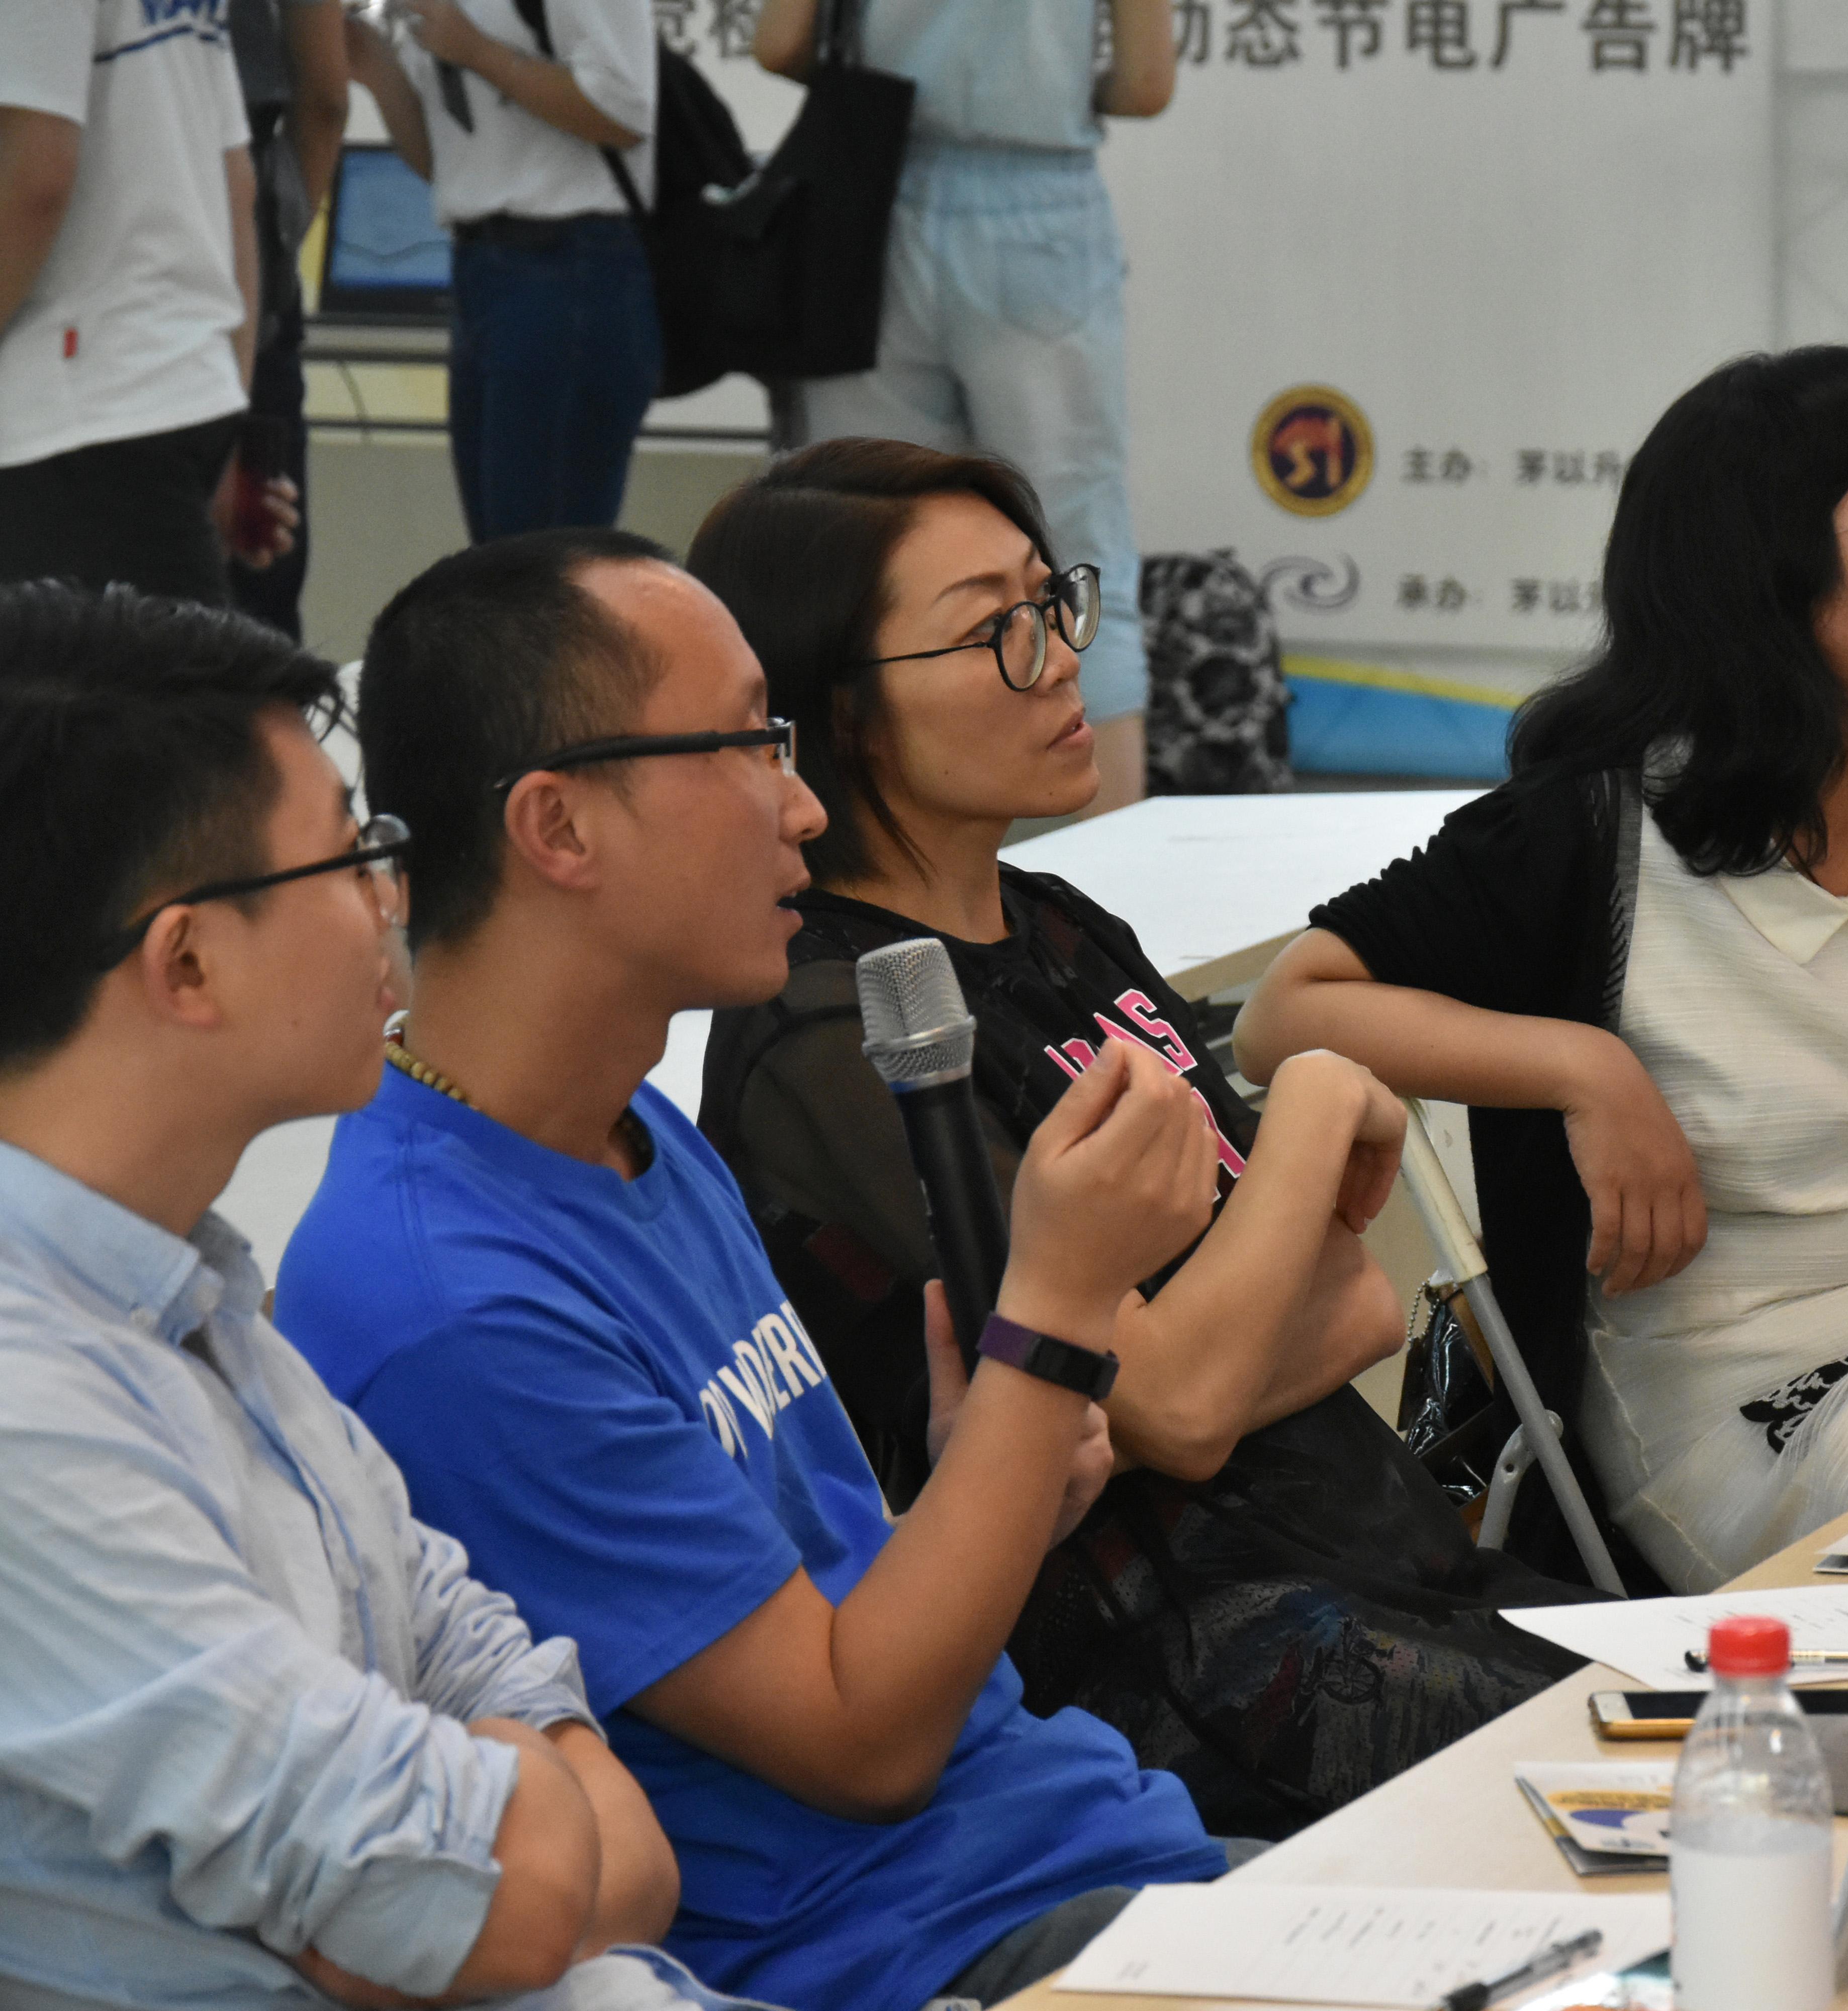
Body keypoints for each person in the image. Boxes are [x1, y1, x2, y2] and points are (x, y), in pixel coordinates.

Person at [273, 529, 1244, 2009]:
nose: (803, 805)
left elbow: (806, 1600)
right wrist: (1051, 1314)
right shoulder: (441, 1296)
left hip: (1071, 1847)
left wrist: (986, 1474)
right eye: (744, 745)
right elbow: (862, 1744)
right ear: (558, 826)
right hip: (909, 1950)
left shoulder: (627, 1126)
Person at [685, 438, 1598, 1836]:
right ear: (841, 712)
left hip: (1374, 1555)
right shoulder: (841, 1024)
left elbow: (1347, 1312)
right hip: (1177, 1651)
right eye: (993, 631)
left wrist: (1199, 1357)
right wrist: (1316, 1098)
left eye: (1052, 603)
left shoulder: (1064, 930)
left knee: (1788, 1723)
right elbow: (1164, 1402)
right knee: (1715, 1784)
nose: (1062, 659)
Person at [1237, 347, 1848, 1595]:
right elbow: (1285, 1013)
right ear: (1773, 582)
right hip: (1748, 1394)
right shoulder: (1593, 834)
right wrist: (1582, 1066)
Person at [0, 581, 718, 2011]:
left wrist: (462, 1854)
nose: (392, 904)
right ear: (188, 960)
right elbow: (504, 1903)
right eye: (349, 859)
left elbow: (605, 1852)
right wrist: (489, 1843)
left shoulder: (197, 1296)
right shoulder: (32, 1411)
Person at [751, 0, 1175, 815]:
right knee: (1081, 561)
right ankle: (1112, 873)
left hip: (872, 200)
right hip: (1042, 205)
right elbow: (1146, 83)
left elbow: (780, 44)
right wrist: (1048, 85)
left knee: (867, 556)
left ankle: (876, 867)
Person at [0, 0, 299, 603]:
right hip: (180, 391)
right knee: (183, 661)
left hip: (75, 411)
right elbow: (235, 183)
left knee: (95, 664)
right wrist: (226, 401)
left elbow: (37, 178)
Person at [344, 0, 661, 541]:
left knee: (538, 562)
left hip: (572, 264)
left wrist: (479, 52)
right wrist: (374, 66)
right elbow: (454, 167)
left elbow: (627, 110)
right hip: (481, 268)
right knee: (496, 556)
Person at [226, 0, 350, 633]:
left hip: (90, 303)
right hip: (253, 271)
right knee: (258, 594)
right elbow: (325, 99)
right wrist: (273, 247)